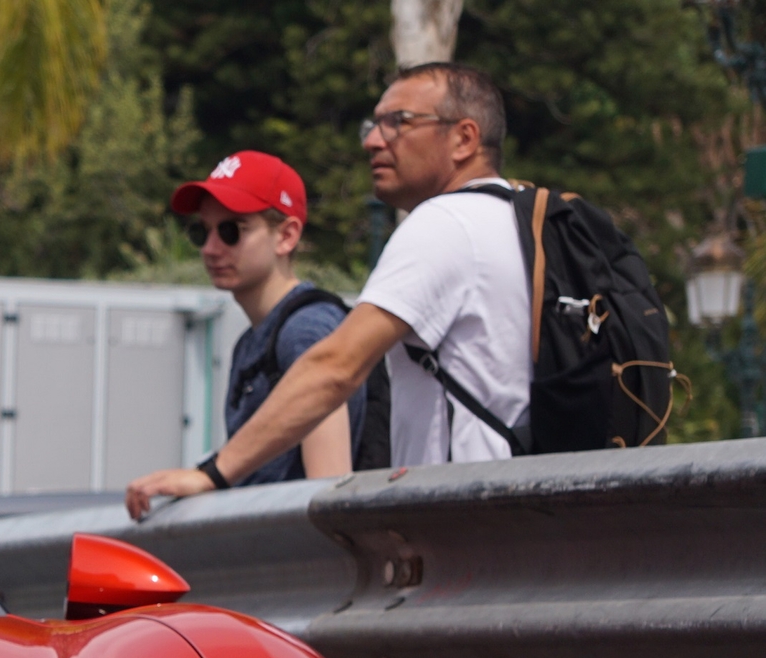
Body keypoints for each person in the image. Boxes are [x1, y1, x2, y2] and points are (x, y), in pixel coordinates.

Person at [126, 63, 530, 519]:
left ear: (464, 138)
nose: (373, 140)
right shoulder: (513, 218)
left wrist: (211, 474)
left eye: (399, 122)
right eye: (203, 232)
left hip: (464, 525)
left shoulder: (445, 225)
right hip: (498, 517)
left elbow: (336, 370)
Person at [171, 151, 364, 495]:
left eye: (232, 231)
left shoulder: (306, 332)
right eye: (202, 232)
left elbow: (327, 493)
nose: (210, 249)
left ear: (287, 235)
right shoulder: (253, 340)